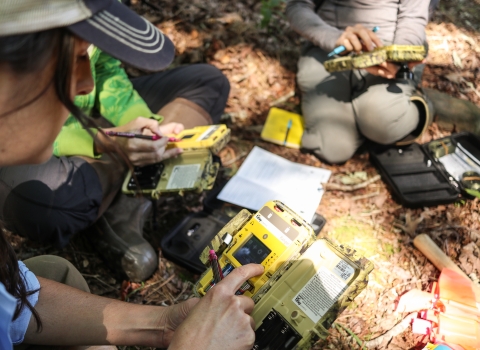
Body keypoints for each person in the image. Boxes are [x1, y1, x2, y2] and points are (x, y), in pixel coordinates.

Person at [0, 0, 262, 349]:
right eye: (74, 60)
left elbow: (16, 302)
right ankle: (134, 180)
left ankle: (132, 177)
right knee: (46, 203)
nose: (86, 85)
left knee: (206, 80)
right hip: (81, 145)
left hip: (98, 135)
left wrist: (165, 325)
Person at [286, 0, 432, 164]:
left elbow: (413, 18)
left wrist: (397, 57)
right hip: (329, 48)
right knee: (332, 148)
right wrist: (335, 37)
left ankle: (419, 108)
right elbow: (298, 5)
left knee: (383, 122)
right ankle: (361, 121)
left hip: (388, 48)